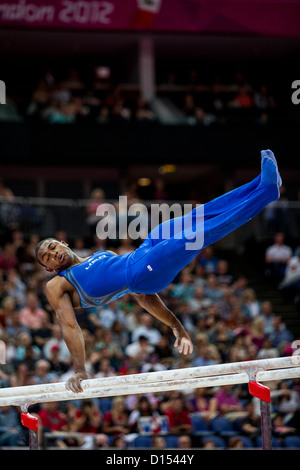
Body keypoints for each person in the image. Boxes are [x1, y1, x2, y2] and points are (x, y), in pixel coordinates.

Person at [35, 150, 281, 393]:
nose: (53, 253)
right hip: (141, 272)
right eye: (47, 257)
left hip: (144, 255)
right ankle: (267, 193)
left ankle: (261, 183)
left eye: (52, 246)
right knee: (201, 234)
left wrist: (177, 326)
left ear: (62, 244)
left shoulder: (100, 256)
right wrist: (80, 369)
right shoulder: (58, 284)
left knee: (197, 216)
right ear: (49, 267)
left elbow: (143, 296)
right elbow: (69, 326)